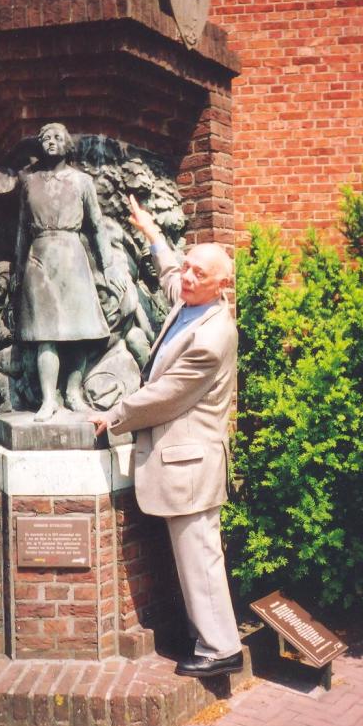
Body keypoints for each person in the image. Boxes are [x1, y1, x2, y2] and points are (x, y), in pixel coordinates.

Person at [89, 195, 243, 678]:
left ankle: (221, 649)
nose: (189, 278)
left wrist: (115, 416)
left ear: (224, 286)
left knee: (199, 557)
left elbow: (167, 396)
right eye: (191, 269)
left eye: (201, 274)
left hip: (190, 464)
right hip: (182, 461)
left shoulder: (214, 335)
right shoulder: (191, 299)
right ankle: (212, 637)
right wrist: (153, 234)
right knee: (194, 555)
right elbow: (171, 272)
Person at [14, 123, 125, 422]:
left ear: (67, 145)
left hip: (72, 255)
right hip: (39, 258)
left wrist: (108, 265)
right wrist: (17, 268)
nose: (51, 142)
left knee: (80, 330)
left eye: (57, 137)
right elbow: (22, 230)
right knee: (45, 333)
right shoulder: (29, 182)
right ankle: (50, 398)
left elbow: (98, 226)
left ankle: (73, 392)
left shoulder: (82, 182)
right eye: (46, 138)